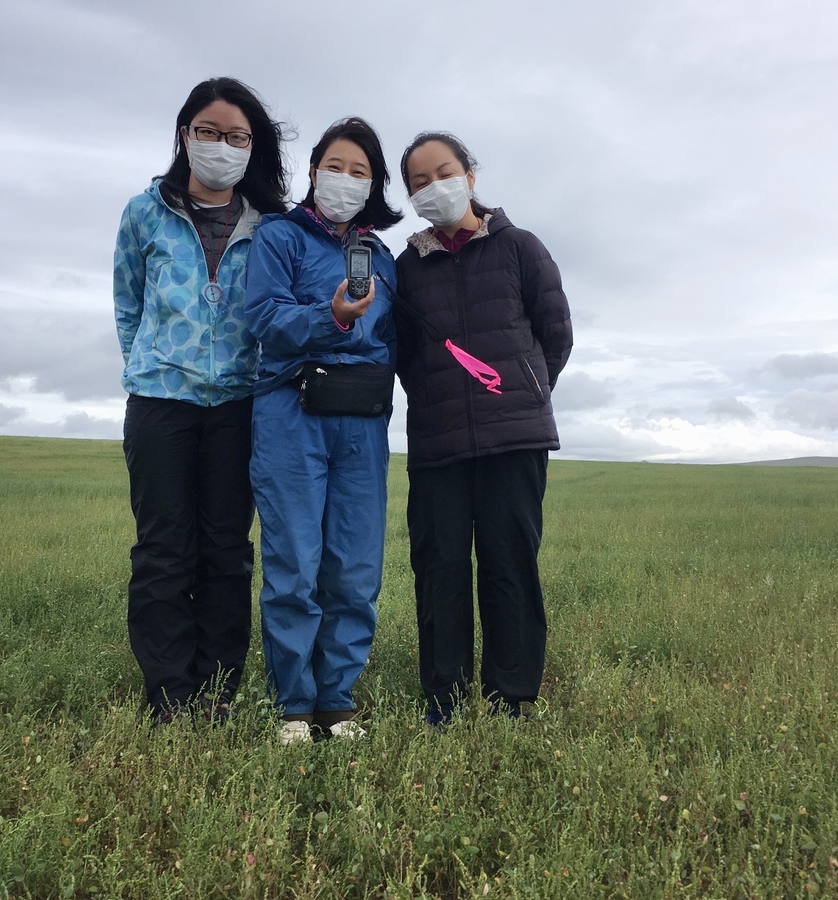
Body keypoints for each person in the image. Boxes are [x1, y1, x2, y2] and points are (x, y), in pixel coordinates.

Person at [113, 77, 288, 726]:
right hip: (161, 403)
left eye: (237, 136)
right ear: (185, 135)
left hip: (242, 406)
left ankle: (217, 687)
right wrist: (147, 366)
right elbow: (128, 302)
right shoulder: (144, 212)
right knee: (163, 548)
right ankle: (167, 691)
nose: (222, 145)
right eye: (209, 131)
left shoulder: (272, 226)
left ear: (254, 147)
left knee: (226, 548)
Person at [393, 132, 573, 726]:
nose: (432, 186)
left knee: (509, 563)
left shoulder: (520, 247)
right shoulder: (405, 269)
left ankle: (512, 697)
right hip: (438, 440)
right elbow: (403, 354)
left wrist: (520, 394)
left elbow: (556, 334)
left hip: (514, 438)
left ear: (470, 175)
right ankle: (443, 698)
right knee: (439, 564)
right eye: (418, 181)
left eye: (442, 172)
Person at [245, 117, 403, 745]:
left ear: (374, 185)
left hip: (363, 422)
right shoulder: (281, 236)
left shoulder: (384, 257)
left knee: (355, 565)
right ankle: (293, 703)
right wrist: (331, 314)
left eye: (360, 171)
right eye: (335, 166)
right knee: (295, 561)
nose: (345, 179)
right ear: (312, 171)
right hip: (291, 411)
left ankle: (337, 700)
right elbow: (262, 315)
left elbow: (398, 340)